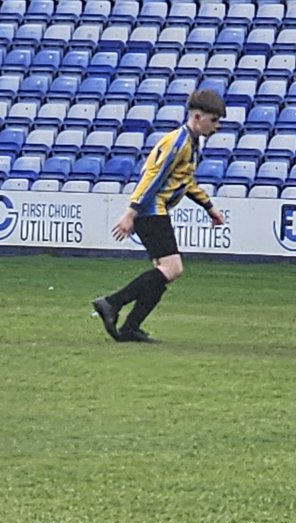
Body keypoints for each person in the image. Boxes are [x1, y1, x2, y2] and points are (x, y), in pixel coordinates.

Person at [91, 88, 227, 343]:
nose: (217, 127)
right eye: (214, 120)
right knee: (172, 268)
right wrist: (131, 213)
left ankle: (130, 327)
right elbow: (151, 177)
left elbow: (185, 181)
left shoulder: (191, 143)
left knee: (162, 272)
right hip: (150, 209)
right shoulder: (178, 142)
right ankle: (111, 303)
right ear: (197, 117)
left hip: (154, 209)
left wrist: (208, 206)